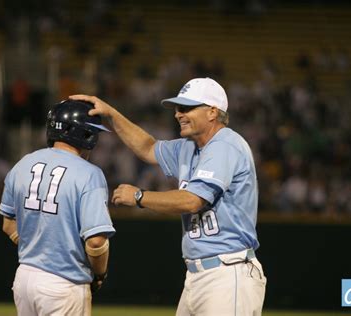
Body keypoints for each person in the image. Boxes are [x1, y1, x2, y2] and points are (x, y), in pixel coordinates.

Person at [70, 77, 267, 316]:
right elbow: (147, 147)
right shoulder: (189, 146)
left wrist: (140, 197)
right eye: (177, 108)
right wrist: (111, 114)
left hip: (228, 272)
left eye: (186, 108)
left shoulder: (226, 145)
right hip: (198, 276)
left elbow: (192, 200)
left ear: (213, 112)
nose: (178, 114)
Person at [0, 99, 115, 316]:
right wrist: (100, 274)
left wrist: (37, 246)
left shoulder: (23, 163)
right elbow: (96, 241)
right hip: (64, 282)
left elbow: (8, 224)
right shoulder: (89, 173)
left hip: (24, 278)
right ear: (82, 133)